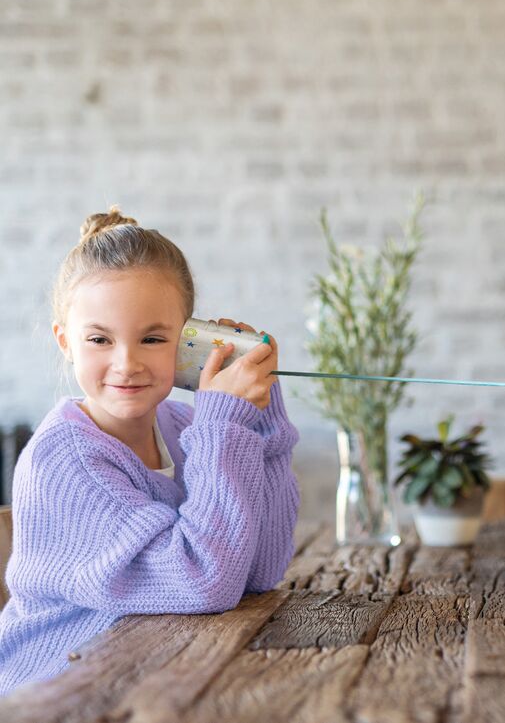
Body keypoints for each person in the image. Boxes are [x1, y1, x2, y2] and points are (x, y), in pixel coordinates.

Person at [0, 208, 300, 694]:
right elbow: (204, 580)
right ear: (65, 343)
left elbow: (259, 568)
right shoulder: (64, 460)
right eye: (99, 339)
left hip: (153, 672)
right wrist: (223, 426)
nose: (127, 363)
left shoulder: (188, 428)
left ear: (190, 344)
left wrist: (256, 420)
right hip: (58, 689)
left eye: (153, 338)